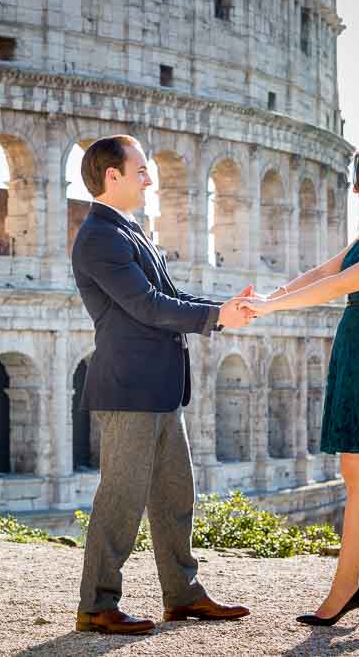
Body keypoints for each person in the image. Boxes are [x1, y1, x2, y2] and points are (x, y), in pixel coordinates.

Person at [240, 141, 359, 626]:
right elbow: (322, 272)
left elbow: (335, 288)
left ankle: (345, 589)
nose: (356, 190)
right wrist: (270, 296)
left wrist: (271, 308)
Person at [71, 135, 253, 635]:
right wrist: (217, 317)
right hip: (130, 391)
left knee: (176, 496)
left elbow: (168, 296)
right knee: (121, 500)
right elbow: (147, 307)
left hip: (159, 390)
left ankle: (183, 595)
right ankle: (97, 604)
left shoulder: (130, 232)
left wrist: (227, 309)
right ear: (114, 176)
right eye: (141, 170)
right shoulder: (100, 237)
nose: (149, 178)